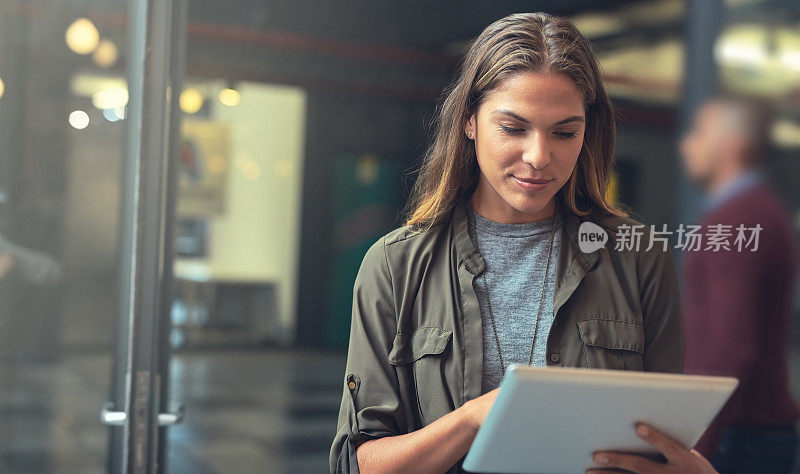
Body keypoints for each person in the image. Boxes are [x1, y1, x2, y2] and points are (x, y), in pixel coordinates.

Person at [331, 12, 695, 473]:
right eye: (513, 128)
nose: (539, 157)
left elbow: (663, 439)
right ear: (469, 122)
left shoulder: (638, 256)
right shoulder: (394, 265)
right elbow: (358, 463)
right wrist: (472, 419)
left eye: (565, 132)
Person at [679, 93, 800, 473]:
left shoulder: (739, 220)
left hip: (738, 437)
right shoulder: (757, 211)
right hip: (751, 431)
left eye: (699, 132)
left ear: (731, 146)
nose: (688, 143)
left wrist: (698, 443)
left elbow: (731, 345)